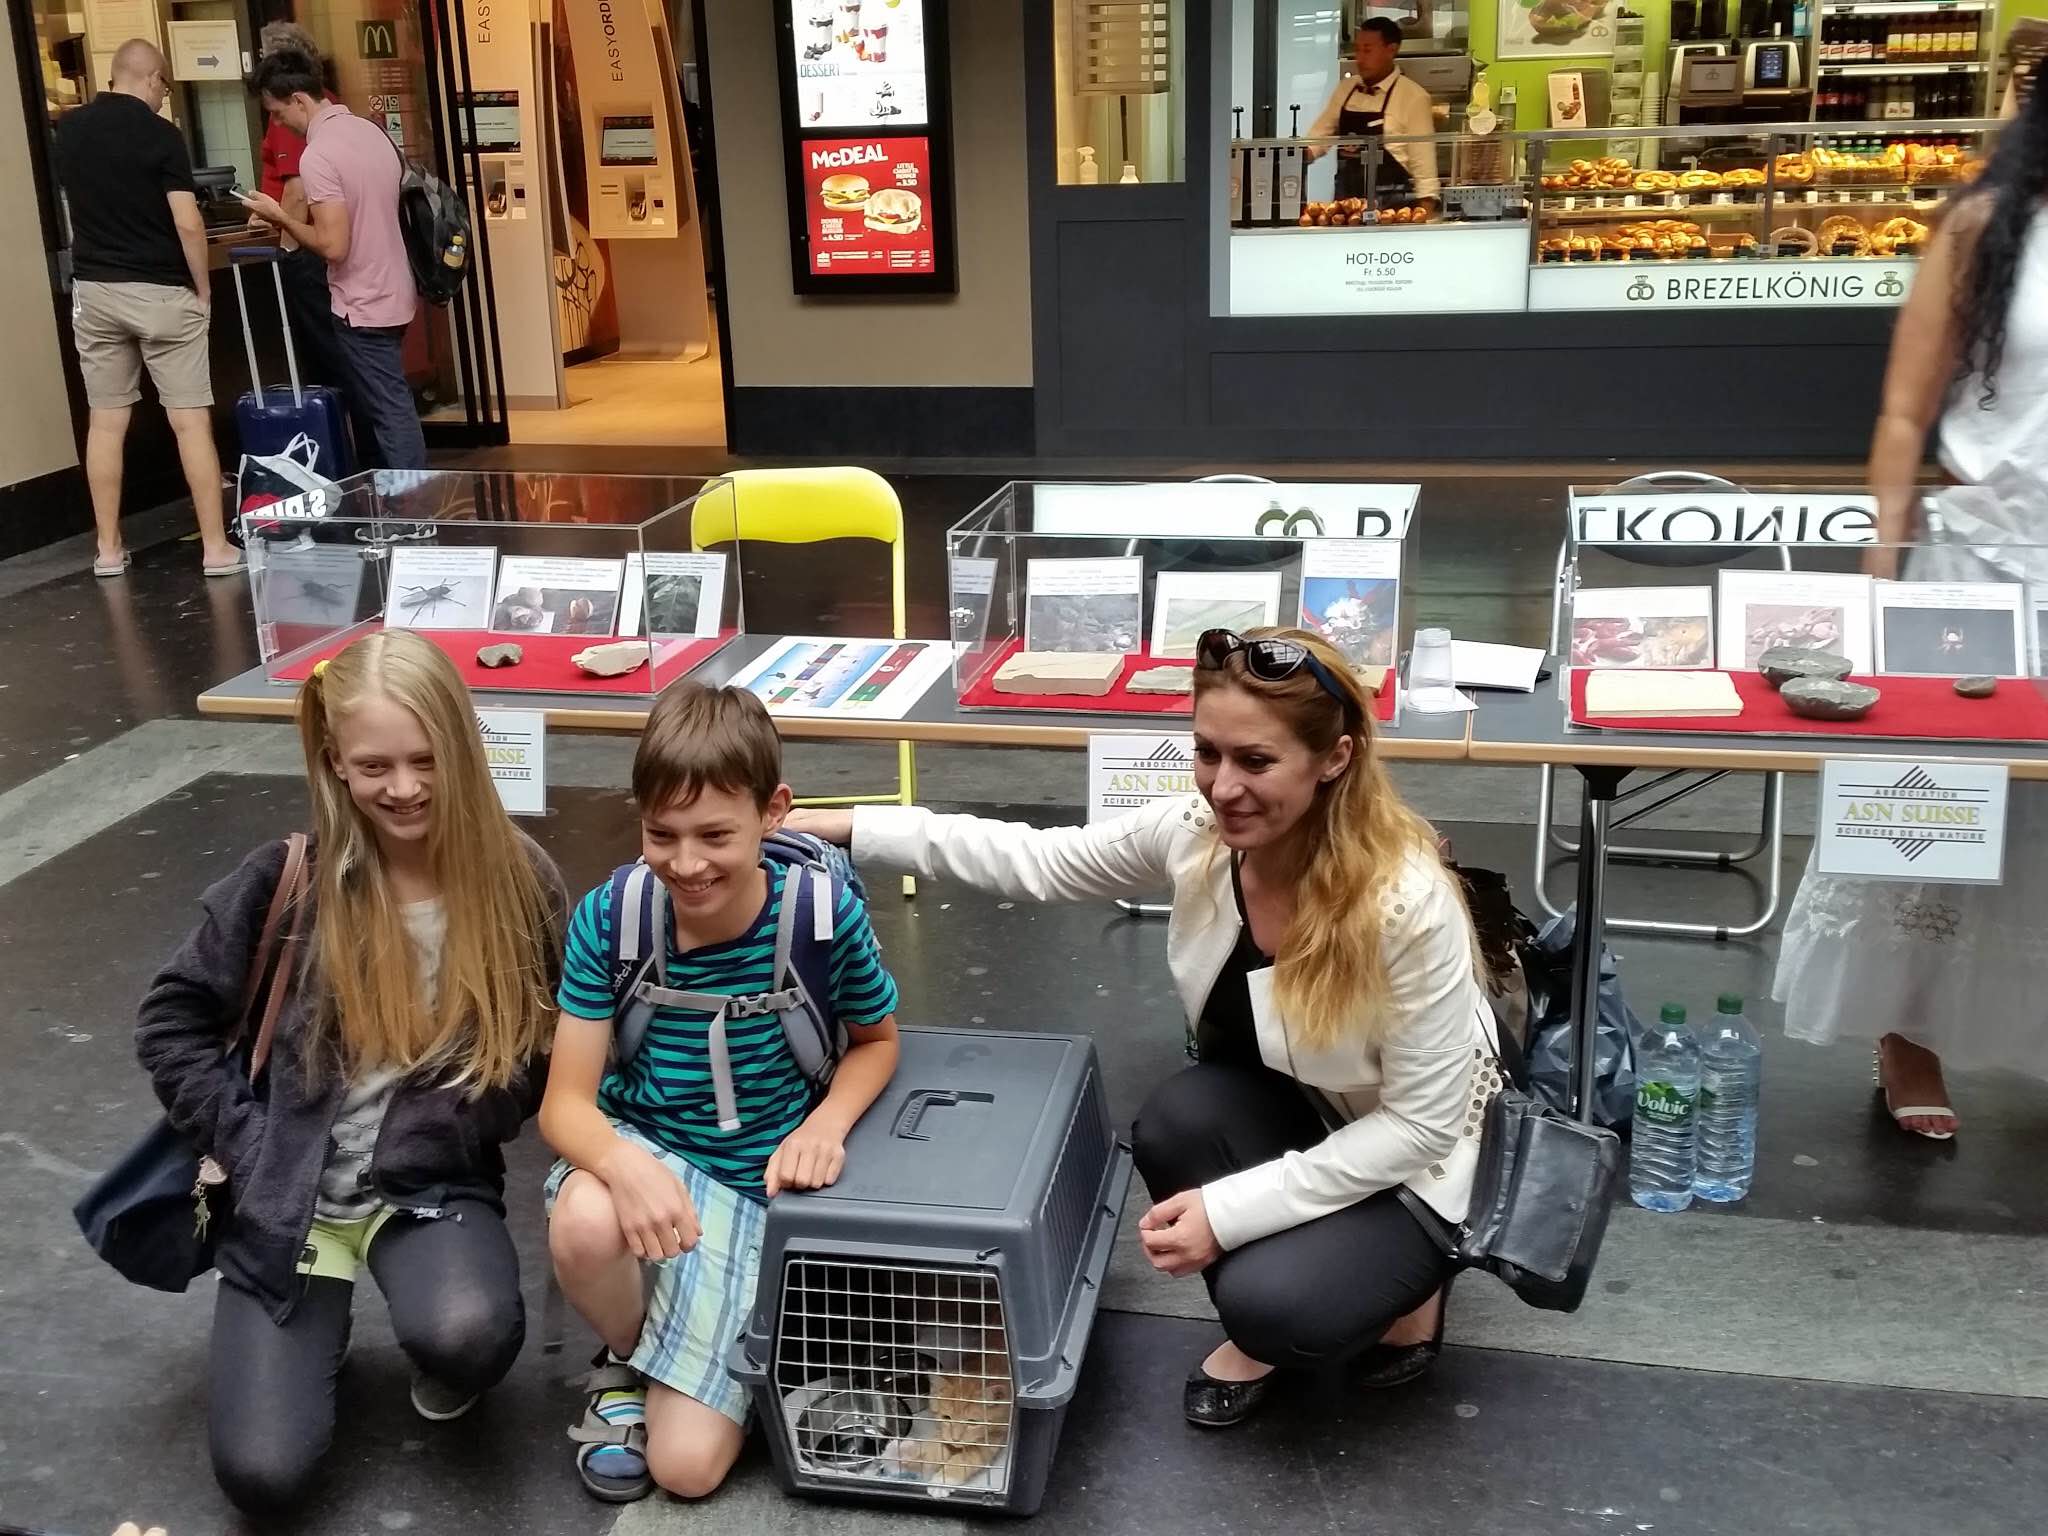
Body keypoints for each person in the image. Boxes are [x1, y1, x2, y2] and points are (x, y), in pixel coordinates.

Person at [791, 627, 1495, 1427]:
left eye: (1256, 762)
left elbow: (1420, 1126)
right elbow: (1046, 861)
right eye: (1207, 754)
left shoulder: (1406, 902)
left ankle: (1403, 1292)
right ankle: (1311, 1278)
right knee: (1172, 1124)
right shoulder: (1200, 833)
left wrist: (1226, 1214)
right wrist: (848, 827)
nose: (1223, 787)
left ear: (1333, 758)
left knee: (1276, 1307)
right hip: (1307, 1098)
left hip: (1417, 1155)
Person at [134, 630, 566, 1513]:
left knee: (471, 1336)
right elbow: (169, 1022)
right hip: (285, 1197)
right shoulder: (287, 880)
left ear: (463, 746)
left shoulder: (521, 883)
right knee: (263, 1475)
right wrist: (250, 1148)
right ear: (334, 762)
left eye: (425, 760)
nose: (403, 788)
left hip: (429, 1187)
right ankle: (304, 1318)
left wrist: (462, 1118)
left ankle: (420, 1328)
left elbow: (549, 1045)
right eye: (375, 766)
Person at [539, 681, 902, 1502]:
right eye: (660, 834)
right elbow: (564, 1105)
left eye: (715, 835)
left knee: (687, 1471)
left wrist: (829, 1125)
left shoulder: (819, 915)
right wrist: (625, 1166)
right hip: (646, 1151)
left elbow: (878, 1042)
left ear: (774, 812)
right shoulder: (613, 918)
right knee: (586, 1219)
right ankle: (628, 1362)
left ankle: (693, 1347)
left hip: (754, 1181)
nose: (686, 863)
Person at [1774, 78, 2048, 1142]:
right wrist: (1877, 576)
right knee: (1923, 806)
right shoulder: (1982, 225)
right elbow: (1901, 408)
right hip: (1975, 568)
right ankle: (1903, 1032)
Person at [51, 38, 241, 578]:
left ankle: (108, 551)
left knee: (106, 424)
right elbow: (186, 221)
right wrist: (202, 288)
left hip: (96, 291)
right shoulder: (162, 136)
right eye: (164, 85)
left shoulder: (71, 130)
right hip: (161, 292)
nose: (164, 96)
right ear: (152, 77)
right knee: (189, 422)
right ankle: (215, 549)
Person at [240, 49, 426, 469]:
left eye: (277, 112)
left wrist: (281, 217)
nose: (279, 123)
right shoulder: (372, 133)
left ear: (299, 100)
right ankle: (407, 505)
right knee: (390, 404)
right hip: (396, 287)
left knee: (388, 412)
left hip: (360, 302)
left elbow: (333, 245)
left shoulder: (319, 156)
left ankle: (414, 512)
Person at [253, 20, 362, 465]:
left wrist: (287, 244)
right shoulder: (333, 109)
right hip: (330, 244)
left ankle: (334, 455)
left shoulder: (290, 119)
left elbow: (296, 188)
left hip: (308, 245)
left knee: (324, 358)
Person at [1304, 19, 1441, 208]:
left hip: (1393, 208)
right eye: (1357, 49)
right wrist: (1292, 159)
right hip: (1346, 206)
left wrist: (1424, 216)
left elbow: (1424, 170)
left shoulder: (1414, 97)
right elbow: (1318, 139)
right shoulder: (1346, 89)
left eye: (1367, 50)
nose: (1359, 58)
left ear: (1391, 50)